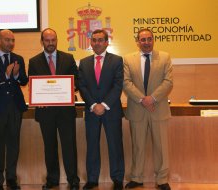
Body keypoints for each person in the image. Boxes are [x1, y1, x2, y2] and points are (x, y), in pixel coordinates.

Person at [28, 28, 80, 190]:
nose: (51, 43)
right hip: (46, 112)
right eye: (47, 40)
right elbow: (32, 85)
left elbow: (77, 81)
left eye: (53, 40)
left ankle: (73, 179)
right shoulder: (34, 61)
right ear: (42, 41)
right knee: (49, 146)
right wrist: (37, 99)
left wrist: (71, 88)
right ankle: (52, 179)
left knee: (69, 146)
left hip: (65, 111)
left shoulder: (68, 58)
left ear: (57, 40)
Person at [123, 28, 173, 190]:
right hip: (137, 109)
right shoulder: (128, 59)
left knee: (161, 147)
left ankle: (162, 180)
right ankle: (137, 177)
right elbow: (126, 82)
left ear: (153, 40)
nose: (146, 42)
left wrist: (152, 98)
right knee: (138, 146)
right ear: (137, 42)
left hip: (158, 108)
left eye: (149, 39)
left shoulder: (165, 57)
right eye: (142, 40)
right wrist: (142, 99)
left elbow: (168, 82)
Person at [78, 29, 125, 190]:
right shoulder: (83, 63)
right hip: (91, 111)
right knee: (91, 146)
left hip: (111, 110)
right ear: (90, 43)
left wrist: (103, 105)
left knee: (115, 145)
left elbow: (118, 85)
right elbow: (82, 86)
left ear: (106, 42)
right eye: (94, 40)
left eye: (100, 40)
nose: (97, 43)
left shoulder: (117, 60)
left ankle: (118, 178)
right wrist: (93, 105)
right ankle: (92, 179)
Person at [0, 29, 28, 190]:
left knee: (13, 144)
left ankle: (11, 178)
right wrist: (6, 74)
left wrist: (16, 76)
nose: (11, 43)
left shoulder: (18, 59)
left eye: (13, 40)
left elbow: (24, 81)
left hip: (15, 108)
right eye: (8, 40)